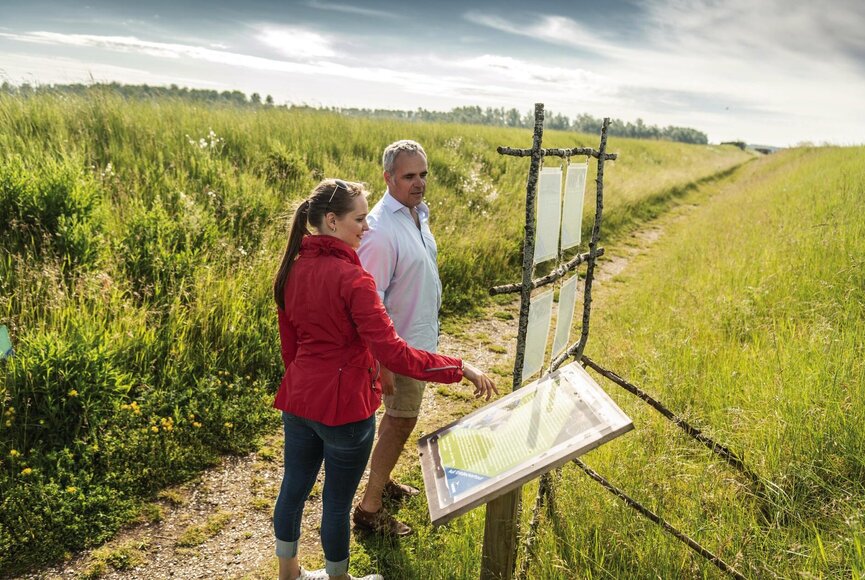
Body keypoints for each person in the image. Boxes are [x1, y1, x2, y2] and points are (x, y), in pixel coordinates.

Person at [272, 178, 497, 580]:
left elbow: (291, 349)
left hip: (299, 399)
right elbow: (396, 354)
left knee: (293, 489)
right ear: (331, 220)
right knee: (337, 504)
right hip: (345, 409)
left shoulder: (293, 268)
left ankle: (288, 573)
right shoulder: (354, 280)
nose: (367, 226)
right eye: (359, 218)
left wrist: (304, 386)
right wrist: (459, 367)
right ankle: (338, 577)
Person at [352, 140, 447, 537]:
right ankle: (370, 510)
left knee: (396, 420)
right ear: (387, 177)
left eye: (423, 174)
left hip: (417, 343)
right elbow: (369, 303)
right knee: (401, 421)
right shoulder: (380, 230)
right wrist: (382, 362)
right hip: (399, 348)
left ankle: (383, 482)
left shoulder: (416, 214)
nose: (419, 182)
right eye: (409, 176)